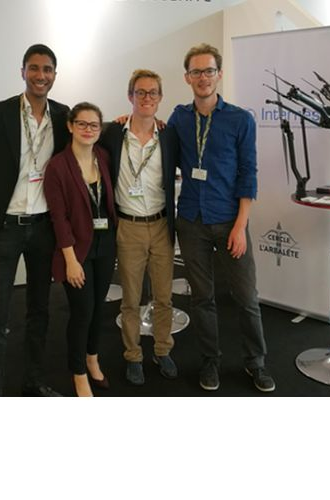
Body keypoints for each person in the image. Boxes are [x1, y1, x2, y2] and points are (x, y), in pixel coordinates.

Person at [0, 44, 69, 396]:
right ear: (23, 72)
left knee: (39, 310)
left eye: (47, 69)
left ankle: (33, 382)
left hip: (43, 228)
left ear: (54, 75)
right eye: (34, 68)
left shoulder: (63, 116)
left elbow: (90, 136)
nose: (40, 75)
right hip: (4, 228)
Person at [167, 43, 275, 392]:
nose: (203, 77)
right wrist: (129, 119)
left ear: (220, 74)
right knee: (202, 298)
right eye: (196, 71)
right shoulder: (179, 118)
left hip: (230, 221)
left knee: (246, 297)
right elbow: (158, 142)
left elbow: (248, 174)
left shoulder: (240, 119)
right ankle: (210, 360)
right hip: (192, 221)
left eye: (209, 70)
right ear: (187, 77)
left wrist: (241, 226)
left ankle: (255, 362)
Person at [99, 69, 179, 386]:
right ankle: (133, 355)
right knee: (131, 300)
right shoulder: (112, 134)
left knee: (164, 297)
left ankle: (162, 350)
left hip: (161, 225)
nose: (147, 98)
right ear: (130, 96)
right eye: (140, 92)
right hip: (128, 227)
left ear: (160, 98)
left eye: (152, 92)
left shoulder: (169, 136)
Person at [44, 102, 117, 397]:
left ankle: (92, 358)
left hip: (105, 245)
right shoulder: (58, 167)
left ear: (100, 129)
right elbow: (58, 218)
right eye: (82, 124)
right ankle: (78, 372)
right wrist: (71, 261)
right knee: (82, 312)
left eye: (94, 125)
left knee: (99, 308)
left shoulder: (103, 157)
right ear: (70, 126)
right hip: (76, 251)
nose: (88, 129)